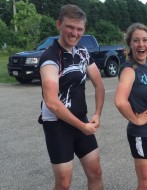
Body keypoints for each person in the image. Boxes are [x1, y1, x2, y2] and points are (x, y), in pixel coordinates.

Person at [38, 4, 104, 190]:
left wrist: (97, 114)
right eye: (70, 27)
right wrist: (83, 126)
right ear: (58, 24)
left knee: (96, 173)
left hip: (81, 121)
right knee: (64, 183)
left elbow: (99, 84)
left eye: (79, 29)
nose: (75, 33)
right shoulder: (50, 57)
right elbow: (51, 102)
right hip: (57, 125)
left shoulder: (82, 52)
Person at [114, 23, 147, 190]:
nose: (141, 44)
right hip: (142, 134)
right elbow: (120, 101)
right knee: (145, 183)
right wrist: (136, 119)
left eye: (144, 40)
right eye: (136, 40)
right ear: (130, 44)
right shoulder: (129, 70)